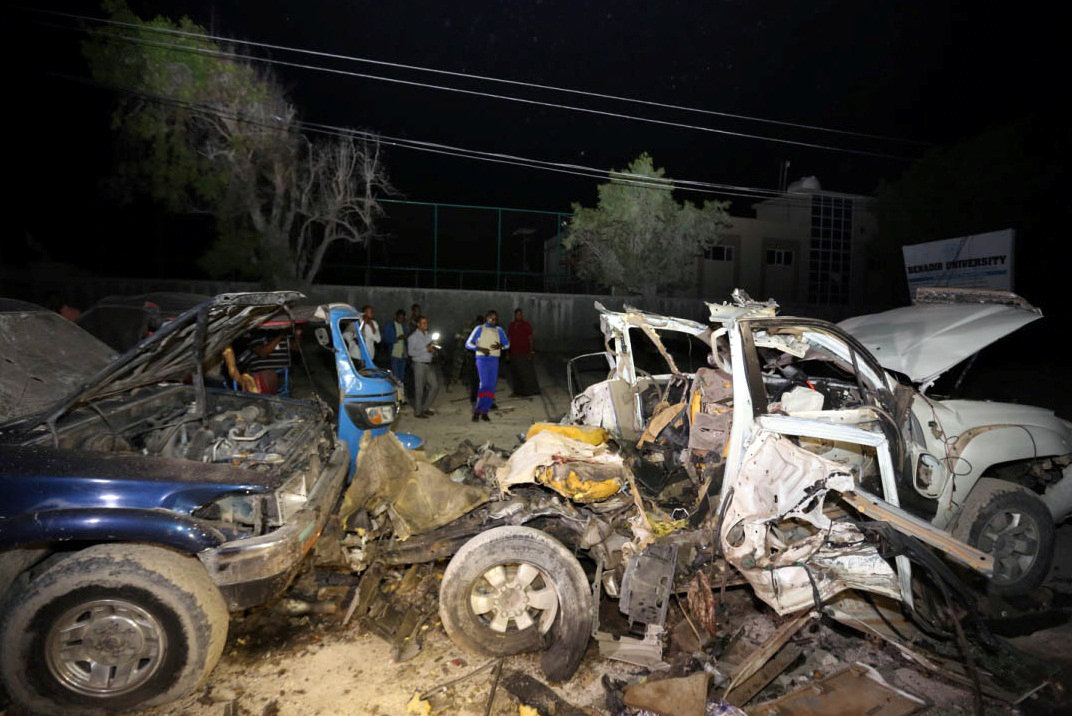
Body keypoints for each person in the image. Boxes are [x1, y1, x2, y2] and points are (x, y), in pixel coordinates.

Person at [465, 310, 509, 422]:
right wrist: (480, 348)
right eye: (492, 318)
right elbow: (468, 344)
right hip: (482, 359)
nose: (494, 320)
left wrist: (500, 347)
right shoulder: (479, 329)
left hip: (494, 359)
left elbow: (507, 344)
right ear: (487, 318)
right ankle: (477, 410)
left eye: (496, 319)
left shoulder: (499, 330)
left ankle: (485, 411)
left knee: (491, 386)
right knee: (484, 385)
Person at [407, 315, 440, 418]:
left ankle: (425, 407)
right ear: (418, 324)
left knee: (435, 386)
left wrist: (433, 350)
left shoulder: (428, 335)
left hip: (428, 364)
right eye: (423, 323)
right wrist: (426, 349)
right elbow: (411, 353)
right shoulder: (413, 337)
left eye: (426, 322)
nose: (426, 325)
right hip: (419, 364)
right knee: (419, 389)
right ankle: (418, 412)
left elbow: (431, 347)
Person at [506, 308, 540, 396]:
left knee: (527, 373)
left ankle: (530, 390)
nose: (519, 316)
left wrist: (531, 351)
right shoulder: (511, 325)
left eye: (520, 314)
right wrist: (507, 352)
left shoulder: (526, 325)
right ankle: (517, 391)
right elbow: (509, 339)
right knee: (515, 373)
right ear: (515, 315)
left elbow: (530, 338)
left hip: (524, 352)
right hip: (514, 352)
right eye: (517, 314)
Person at [382, 308, 408, 382]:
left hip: (402, 355)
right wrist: (397, 338)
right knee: (395, 376)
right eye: (399, 317)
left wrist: (406, 338)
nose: (401, 319)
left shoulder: (404, 326)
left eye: (402, 318)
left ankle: (401, 388)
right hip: (394, 354)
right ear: (396, 316)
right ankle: (396, 389)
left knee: (402, 376)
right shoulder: (390, 325)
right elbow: (385, 339)